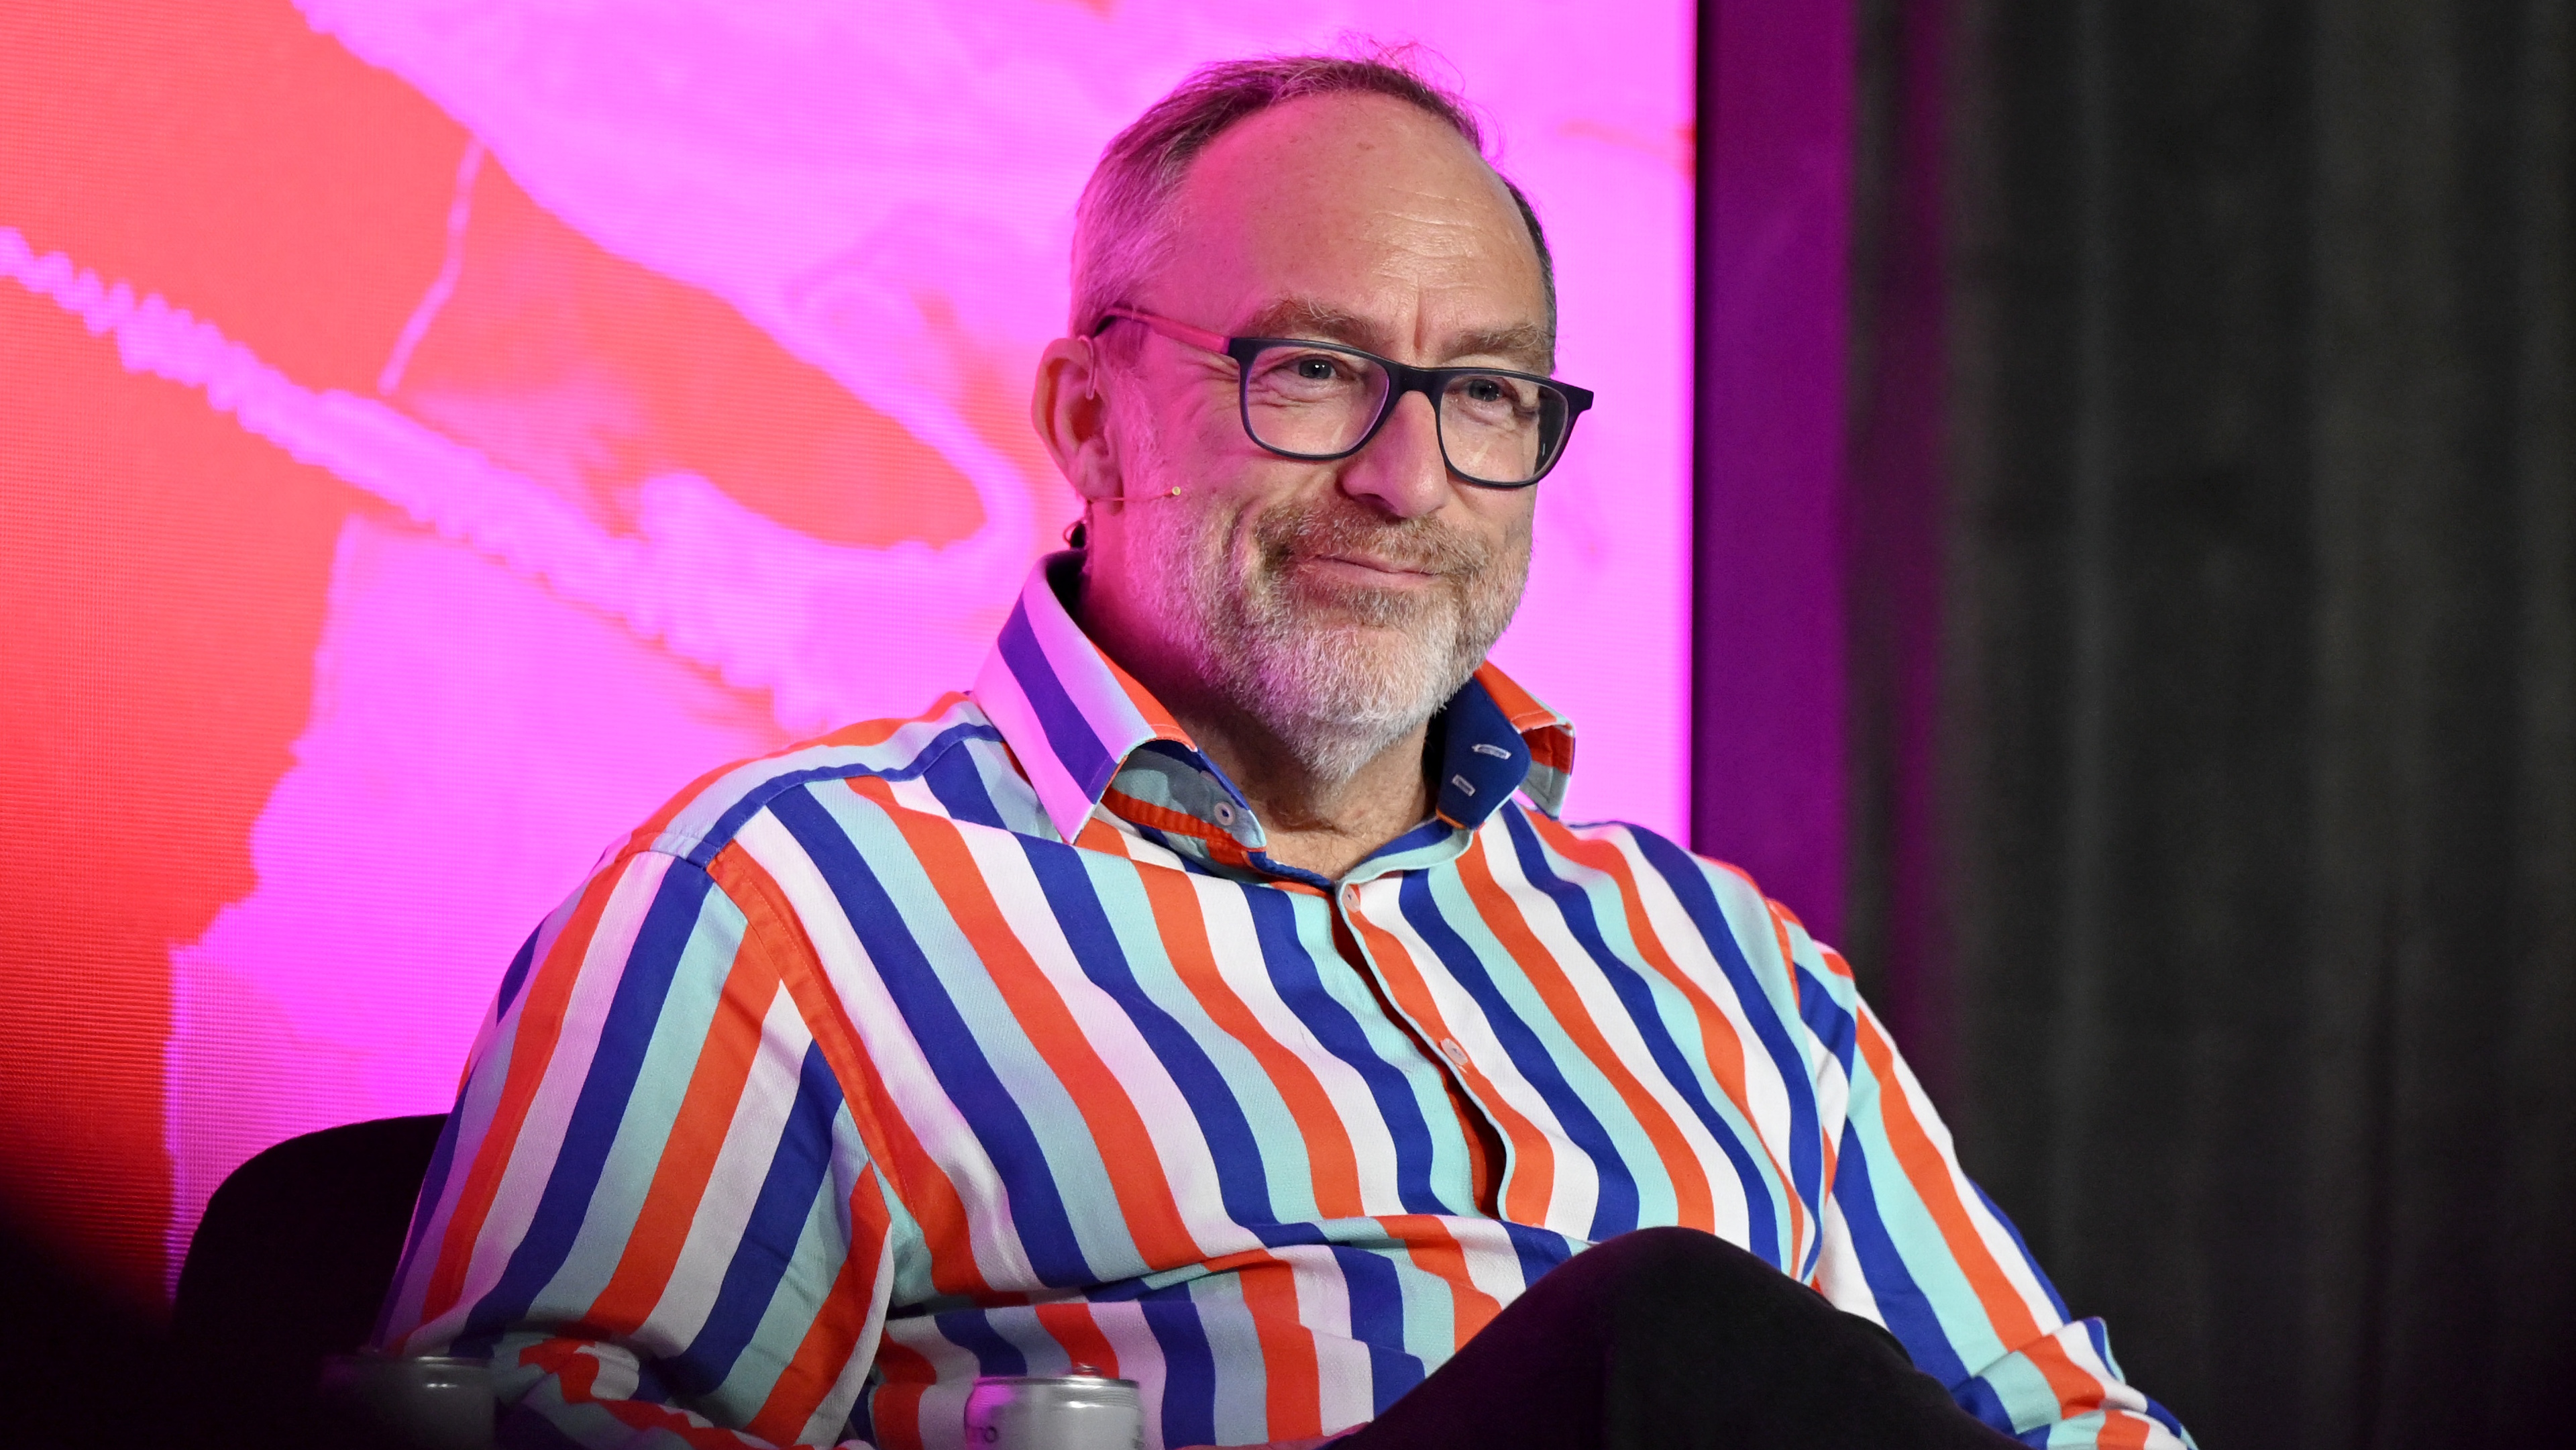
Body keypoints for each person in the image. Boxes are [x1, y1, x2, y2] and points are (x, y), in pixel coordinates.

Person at [374, 53, 2191, 1450]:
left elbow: (2075, 1428)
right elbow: (532, 1425)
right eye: (1312, 372)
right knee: (1666, 1346)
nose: (1408, 481)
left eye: (1486, 395)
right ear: (1090, 420)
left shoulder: (1732, 967)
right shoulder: (781, 912)